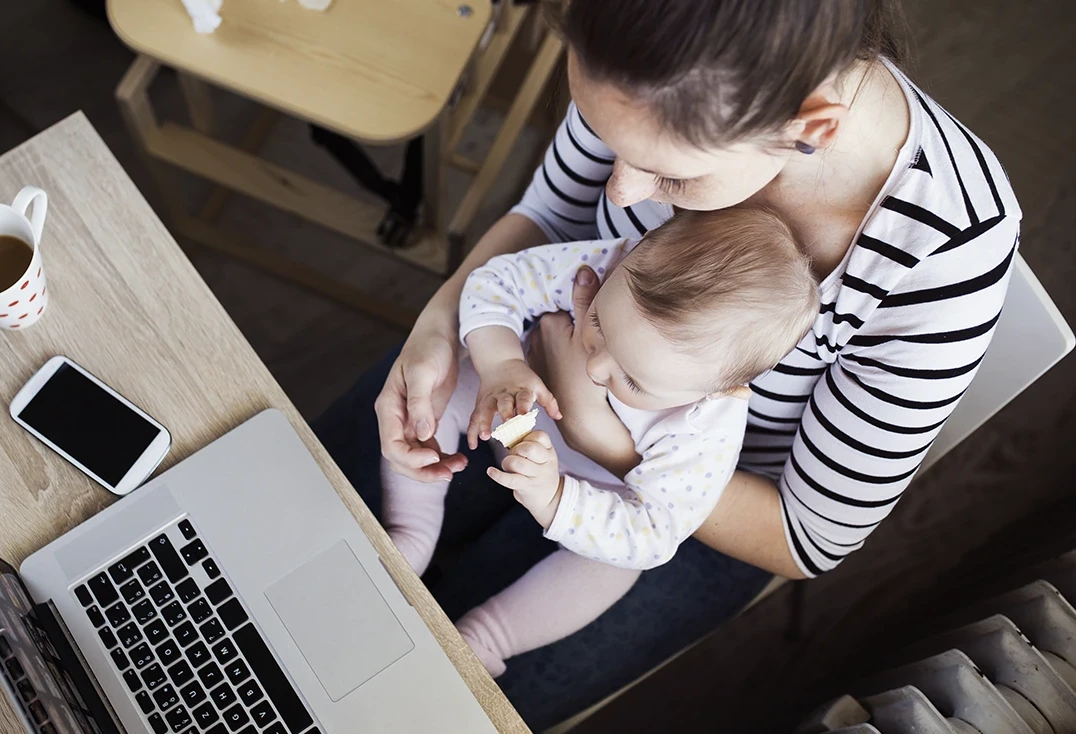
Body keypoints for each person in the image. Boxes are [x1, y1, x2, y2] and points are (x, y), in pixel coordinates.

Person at [312, 0, 1020, 726]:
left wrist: (604, 439)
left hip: (697, 506)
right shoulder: (644, 45)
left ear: (809, 128)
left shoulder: (948, 246)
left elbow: (809, 534)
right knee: (307, 538)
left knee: (422, 703)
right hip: (533, 351)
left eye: (669, 175)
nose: (619, 191)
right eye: (612, 140)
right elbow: (554, 216)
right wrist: (438, 326)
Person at [381, 208, 819, 675]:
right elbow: (495, 281)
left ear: (718, 390)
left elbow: (654, 530)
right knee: (436, 395)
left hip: (596, 489)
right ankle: (411, 531)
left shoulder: (708, 424)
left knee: (616, 566)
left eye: (631, 379)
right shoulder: (610, 263)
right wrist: (500, 364)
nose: (593, 368)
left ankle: (487, 637)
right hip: (512, 402)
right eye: (599, 326)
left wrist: (555, 498)